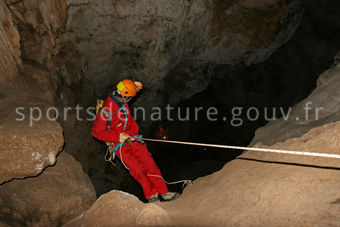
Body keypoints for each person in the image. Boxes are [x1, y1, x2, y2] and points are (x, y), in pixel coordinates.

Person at [91, 79, 179, 202]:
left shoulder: (121, 98)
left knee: (150, 164)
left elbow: (127, 88)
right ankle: (152, 195)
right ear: (125, 97)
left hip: (133, 138)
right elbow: (96, 132)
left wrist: (135, 87)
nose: (131, 100)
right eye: (130, 98)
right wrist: (117, 137)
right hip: (120, 145)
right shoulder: (106, 112)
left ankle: (164, 192)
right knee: (137, 170)